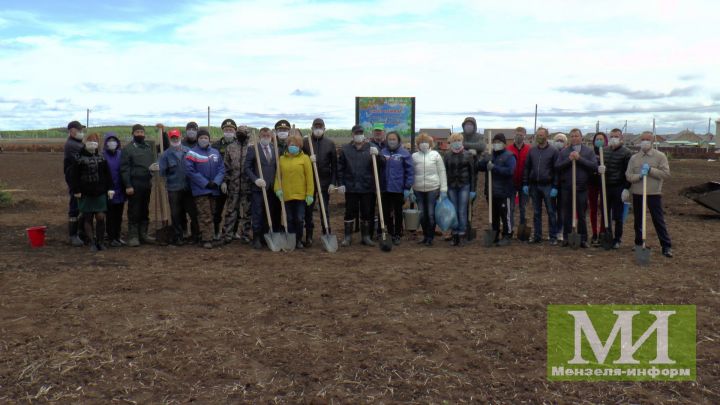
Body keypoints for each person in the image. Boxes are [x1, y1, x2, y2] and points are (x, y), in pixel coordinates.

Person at [626, 131, 673, 258]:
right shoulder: (634, 158)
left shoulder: (660, 156)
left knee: (658, 220)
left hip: (653, 193)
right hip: (638, 193)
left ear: (652, 142)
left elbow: (666, 174)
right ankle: (639, 243)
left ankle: (666, 246)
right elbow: (629, 176)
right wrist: (639, 176)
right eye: (643, 139)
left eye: (647, 139)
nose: (645, 142)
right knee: (638, 221)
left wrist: (651, 170)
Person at [337, 125, 382, 247]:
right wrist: (340, 183)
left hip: (367, 186)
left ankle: (366, 237)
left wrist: (378, 155)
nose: (359, 135)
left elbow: (381, 164)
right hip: (351, 186)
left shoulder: (372, 148)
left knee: (366, 212)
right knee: (349, 211)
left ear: (364, 134)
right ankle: (348, 237)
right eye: (356, 133)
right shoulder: (346, 149)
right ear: (352, 134)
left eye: (361, 133)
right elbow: (340, 168)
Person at [68, 133, 113, 252]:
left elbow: (107, 175)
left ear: (98, 143)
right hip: (85, 193)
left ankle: (100, 242)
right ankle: (92, 242)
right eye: (90, 140)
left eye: (95, 141)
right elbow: (74, 176)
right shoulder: (78, 158)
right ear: (86, 142)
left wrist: (110, 188)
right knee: (87, 218)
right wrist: (76, 190)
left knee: (100, 217)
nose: (93, 142)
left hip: (100, 192)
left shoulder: (102, 157)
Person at [555, 128, 598, 248]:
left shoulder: (588, 152)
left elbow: (594, 166)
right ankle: (567, 237)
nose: (574, 138)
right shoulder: (564, 152)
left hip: (582, 187)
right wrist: (569, 160)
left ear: (581, 137)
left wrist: (580, 159)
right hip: (567, 187)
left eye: (576, 136)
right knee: (567, 214)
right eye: (572, 136)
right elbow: (557, 166)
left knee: (581, 214)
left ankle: (583, 238)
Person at [185, 129, 225, 249]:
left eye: (206, 138)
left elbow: (221, 169)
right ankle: (206, 239)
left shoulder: (215, 152)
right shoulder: (192, 153)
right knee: (205, 214)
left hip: (213, 189)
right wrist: (205, 183)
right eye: (201, 138)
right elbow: (190, 171)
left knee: (212, 213)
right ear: (198, 139)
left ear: (209, 139)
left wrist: (216, 182)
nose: (204, 140)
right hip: (201, 190)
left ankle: (210, 236)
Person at [274, 132, 314, 249]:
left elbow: (309, 178)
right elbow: (278, 177)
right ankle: (290, 240)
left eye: (296, 145)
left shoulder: (305, 158)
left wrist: (309, 194)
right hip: (286, 195)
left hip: (300, 196)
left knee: (299, 219)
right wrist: (277, 189)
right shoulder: (282, 159)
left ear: (300, 146)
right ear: (287, 145)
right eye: (291, 144)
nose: (293, 146)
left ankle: (298, 240)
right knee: (289, 219)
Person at [302, 118, 338, 247]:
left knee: (324, 209)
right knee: (308, 209)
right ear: (311, 128)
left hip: (324, 181)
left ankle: (326, 232)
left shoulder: (330, 143)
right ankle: (309, 235)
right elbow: (299, 159)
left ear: (324, 128)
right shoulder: (306, 142)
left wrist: (333, 183)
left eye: (320, 127)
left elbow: (334, 165)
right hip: (309, 182)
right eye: (316, 127)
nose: (318, 129)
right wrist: (307, 158)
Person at [120, 124, 158, 247]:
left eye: (142, 132)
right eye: (137, 132)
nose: (140, 134)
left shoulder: (148, 148)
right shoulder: (128, 149)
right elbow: (125, 169)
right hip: (134, 184)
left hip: (146, 183)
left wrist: (153, 169)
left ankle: (143, 234)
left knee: (144, 210)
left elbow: (153, 161)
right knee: (134, 210)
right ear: (133, 134)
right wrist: (128, 185)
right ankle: (133, 236)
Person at [159, 129, 198, 245]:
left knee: (193, 212)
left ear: (180, 137)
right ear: (170, 139)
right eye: (172, 138)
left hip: (188, 188)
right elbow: (162, 173)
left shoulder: (189, 152)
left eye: (177, 137)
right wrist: (156, 169)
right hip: (173, 188)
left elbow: (195, 167)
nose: (175, 139)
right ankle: (178, 236)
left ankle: (196, 235)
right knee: (176, 214)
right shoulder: (165, 155)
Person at [245, 127, 281, 249]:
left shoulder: (274, 148)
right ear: (259, 136)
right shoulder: (253, 149)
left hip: (272, 187)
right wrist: (256, 180)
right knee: (258, 212)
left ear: (271, 137)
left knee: (269, 212)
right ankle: (256, 237)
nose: (266, 138)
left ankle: (265, 236)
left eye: (268, 136)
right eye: (263, 136)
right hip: (258, 188)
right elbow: (247, 168)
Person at [478, 133, 516, 246]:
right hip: (491, 191)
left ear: (504, 144)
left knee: (505, 215)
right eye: (494, 142)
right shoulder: (490, 155)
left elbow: (510, 171)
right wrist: (484, 160)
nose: (496, 144)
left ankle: (507, 235)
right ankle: (495, 234)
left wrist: (495, 168)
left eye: (499, 142)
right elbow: (479, 167)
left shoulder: (509, 156)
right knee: (494, 215)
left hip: (504, 192)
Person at [522, 127, 558, 245]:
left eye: (541, 135)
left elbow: (556, 170)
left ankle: (553, 236)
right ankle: (537, 236)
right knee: (536, 212)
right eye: (538, 135)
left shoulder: (553, 151)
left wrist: (555, 186)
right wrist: (525, 183)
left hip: (548, 185)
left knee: (551, 212)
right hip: (534, 186)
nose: (539, 137)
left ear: (546, 136)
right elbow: (527, 168)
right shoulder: (532, 151)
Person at [412, 133, 447, 246]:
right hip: (418, 189)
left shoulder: (435, 155)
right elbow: (411, 174)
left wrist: (443, 189)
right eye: (421, 142)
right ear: (418, 144)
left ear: (430, 144)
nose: (423, 144)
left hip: (433, 188)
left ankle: (431, 237)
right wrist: (410, 190)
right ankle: (425, 236)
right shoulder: (414, 156)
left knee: (431, 214)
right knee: (422, 214)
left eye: (426, 142)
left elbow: (442, 172)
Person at [380, 131, 414, 245]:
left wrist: (407, 188)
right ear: (386, 140)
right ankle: (390, 232)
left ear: (398, 140)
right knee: (386, 212)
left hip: (398, 188)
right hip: (385, 188)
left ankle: (398, 233)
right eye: (390, 139)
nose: (392, 141)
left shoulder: (404, 153)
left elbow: (410, 172)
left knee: (398, 212)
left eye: (394, 139)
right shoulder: (383, 152)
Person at [222, 125, 252, 244]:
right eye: (239, 132)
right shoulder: (230, 148)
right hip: (233, 186)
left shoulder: (251, 148)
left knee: (247, 212)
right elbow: (226, 167)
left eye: (244, 132)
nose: (241, 134)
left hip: (247, 186)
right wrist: (224, 181)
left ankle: (245, 234)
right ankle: (227, 235)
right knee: (230, 211)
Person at [444, 133, 476, 246]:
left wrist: (473, 189)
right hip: (451, 186)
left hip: (464, 185)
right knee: (453, 211)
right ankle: (455, 234)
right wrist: (444, 188)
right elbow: (445, 172)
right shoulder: (447, 155)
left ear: (462, 141)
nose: (456, 142)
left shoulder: (468, 155)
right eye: (454, 140)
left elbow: (473, 173)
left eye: (458, 140)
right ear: (451, 142)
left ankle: (462, 233)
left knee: (462, 210)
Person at [603, 128, 633, 249]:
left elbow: (628, 172)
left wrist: (626, 188)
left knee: (618, 215)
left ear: (621, 138)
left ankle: (617, 238)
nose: (613, 139)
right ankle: (608, 236)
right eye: (612, 136)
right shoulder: (604, 151)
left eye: (616, 136)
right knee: (606, 213)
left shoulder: (626, 153)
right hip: (606, 186)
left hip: (619, 187)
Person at [211, 118, 238, 240]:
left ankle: (232, 231)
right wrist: (221, 181)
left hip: (235, 182)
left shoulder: (239, 145)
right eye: (226, 130)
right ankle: (216, 231)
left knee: (234, 209)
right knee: (218, 208)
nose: (228, 132)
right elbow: (213, 165)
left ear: (235, 131)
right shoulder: (215, 146)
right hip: (219, 182)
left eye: (231, 130)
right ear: (222, 131)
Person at [64, 120, 86, 246]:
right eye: (78, 130)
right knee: (75, 207)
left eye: (81, 130)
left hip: (80, 180)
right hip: (75, 180)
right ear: (71, 131)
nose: (80, 132)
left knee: (81, 206)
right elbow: (81, 161)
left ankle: (81, 232)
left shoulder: (77, 143)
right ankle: (73, 235)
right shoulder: (71, 145)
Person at [102, 132, 126, 247]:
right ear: (106, 143)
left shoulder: (121, 154)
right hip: (108, 191)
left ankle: (117, 236)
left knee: (119, 215)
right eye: (109, 140)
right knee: (110, 215)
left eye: (114, 140)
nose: (112, 142)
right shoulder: (102, 156)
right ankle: (111, 237)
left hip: (120, 190)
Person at [507, 127, 531, 239]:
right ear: (514, 135)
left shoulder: (529, 149)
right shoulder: (508, 149)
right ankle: (510, 229)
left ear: (525, 136)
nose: (519, 136)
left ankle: (522, 228)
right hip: (511, 183)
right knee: (510, 207)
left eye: (521, 134)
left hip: (524, 183)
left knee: (522, 207)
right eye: (517, 134)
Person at [588, 132, 608, 245]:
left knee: (604, 207)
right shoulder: (590, 153)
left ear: (605, 141)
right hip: (592, 183)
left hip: (605, 183)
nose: (599, 141)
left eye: (601, 139)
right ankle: (594, 232)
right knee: (593, 208)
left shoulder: (608, 152)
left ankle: (602, 232)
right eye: (597, 139)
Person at [552, 132, 568, 241]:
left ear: (565, 142)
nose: (559, 142)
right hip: (551, 184)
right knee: (551, 210)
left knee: (561, 210)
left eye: (561, 140)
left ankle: (560, 231)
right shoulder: (551, 152)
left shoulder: (567, 153)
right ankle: (552, 231)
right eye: (557, 140)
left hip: (563, 185)